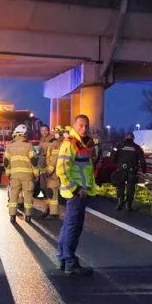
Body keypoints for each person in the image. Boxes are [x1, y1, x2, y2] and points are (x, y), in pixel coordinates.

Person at [55, 114, 97, 275]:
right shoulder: (70, 143)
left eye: (86, 125)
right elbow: (62, 170)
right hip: (76, 192)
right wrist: (75, 189)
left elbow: (85, 168)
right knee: (73, 227)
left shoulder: (82, 143)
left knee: (68, 226)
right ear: (74, 125)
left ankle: (63, 259)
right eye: (80, 125)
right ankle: (69, 261)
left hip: (80, 191)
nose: (84, 128)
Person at [4, 124, 37, 222]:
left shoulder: (9, 146)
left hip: (14, 176)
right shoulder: (29, 145)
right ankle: (28, 216)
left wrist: (8, 173)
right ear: (24, 134)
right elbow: (34, 161)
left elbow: (6, 161)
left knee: (13, 195)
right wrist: (36, 174)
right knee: (28, 196)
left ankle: (12, 216)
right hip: (27, 176)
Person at [109, 132, 146, 211]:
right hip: (132, 171)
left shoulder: (118, 146)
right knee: (131, 188)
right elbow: (142, 160)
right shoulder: (137, 147)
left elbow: (112, 157)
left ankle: (120, 201)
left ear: (125, 137)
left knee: (120, 185)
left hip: (121, 170)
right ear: (133, 138)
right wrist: (144, 171)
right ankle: (128, 205)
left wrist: (117, 164)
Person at [37, 125, 62, 218]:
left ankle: (54, 213)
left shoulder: (53, 141)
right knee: (46, 191)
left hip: (51, 171)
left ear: (48, 131)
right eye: (42, 130)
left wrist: (50, 170)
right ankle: (47, 210)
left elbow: (55, 157)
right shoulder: (42, 140)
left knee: (52, 191)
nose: (43, 132)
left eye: (45, 130)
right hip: (44, 170)